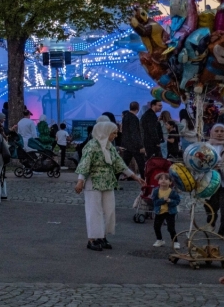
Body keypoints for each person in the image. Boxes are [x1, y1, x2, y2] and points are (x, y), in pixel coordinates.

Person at [75, 117, 144, 251]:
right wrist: (80, 181)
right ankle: (92, 239)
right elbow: (84, 164)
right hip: (93, 182)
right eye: (114, 133)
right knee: (94, 210)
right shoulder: (91, 146)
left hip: (108, 182)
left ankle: (102, 236)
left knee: (109, 210)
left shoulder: (109, 147)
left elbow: (119, 163)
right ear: (105, 132)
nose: (116, 135)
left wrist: (135, 177)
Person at [151, 172, 180, 249]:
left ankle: (175, 241)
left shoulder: (172, 192)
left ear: (170, 182)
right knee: (156, 226)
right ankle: (159, 240)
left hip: (170, 212)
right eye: (161, 179)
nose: (163, 180)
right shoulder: (156, 191)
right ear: (158, 181)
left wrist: (170, 201)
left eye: (166, 179)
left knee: (171, 228)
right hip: (159, 211)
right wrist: (162, 200)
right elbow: (154, 202)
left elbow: (177, 201)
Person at [121, 102, 145, 175]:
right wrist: (140, 146)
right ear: (138, 108)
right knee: (141, 163)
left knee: (124, 163)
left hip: (127, 144)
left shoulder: (125, 117)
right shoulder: (134, 118)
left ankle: (115, 178)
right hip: (135, 146)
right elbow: (134, 132)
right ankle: (144, 178)